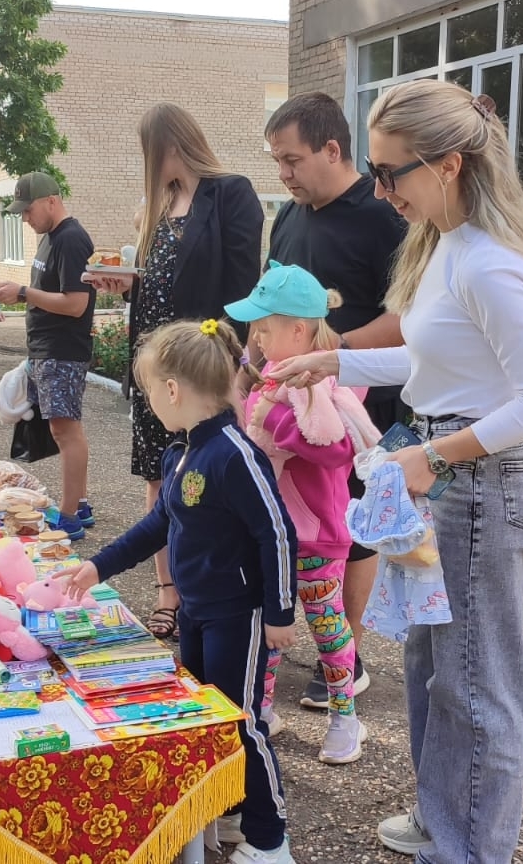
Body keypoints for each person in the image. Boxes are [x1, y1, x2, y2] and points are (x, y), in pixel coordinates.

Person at [271, 80, 523, 864]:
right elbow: (426, 356)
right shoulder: (443, 247)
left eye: (391, 172)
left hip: (475, 482)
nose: (380, 190)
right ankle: (443, 817)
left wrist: (433, 455)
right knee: (433, 671)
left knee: (477, 686)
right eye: (374, 170)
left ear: (449, 164)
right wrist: (332, 358)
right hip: (437, 475)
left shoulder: (487, 263)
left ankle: (470, 846)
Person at [56, 318, 298, 864]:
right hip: (198, 612)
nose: (148, 402)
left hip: (241, 613)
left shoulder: (235, 453)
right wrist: (97, 567)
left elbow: (278, 533)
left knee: (241, 720)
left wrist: (281, 610)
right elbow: (157, 525)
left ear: (172, 390)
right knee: (206, 716)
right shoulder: (181, 452)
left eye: (147, 391)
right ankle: (230, 805)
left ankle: (269, 836)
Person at [85, 103, 264, 641]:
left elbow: (241, 288)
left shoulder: (230, 192)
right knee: (158, 476)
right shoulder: (160, 207)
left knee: (209, 479)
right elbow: (160, 281)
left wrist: (232, 367)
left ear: (169, 144)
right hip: (153, 367)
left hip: (199, 366)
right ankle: (170, 594)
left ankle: (215, 591)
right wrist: (126, 284)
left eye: (148, 149)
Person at [263, 91, 409, 708]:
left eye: (293, 159)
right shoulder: (289, 219)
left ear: (332, 148)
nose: (285, 173)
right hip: (289, 398)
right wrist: (256, 366)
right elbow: (267, 302)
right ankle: (319, 640)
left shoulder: (383, 216)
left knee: (349, 523)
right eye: (277, 161)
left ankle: (345, 658)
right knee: (301, 513)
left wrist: (334, 354)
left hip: (361, 401)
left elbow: (408, 316)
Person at [227, 263, 377, 765]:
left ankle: (344, 718)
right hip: (271, 534)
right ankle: (263, 708)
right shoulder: (272, 378)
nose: (259, 339)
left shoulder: (324, 384)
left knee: (327, 626)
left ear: (299, 330)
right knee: (268, 621)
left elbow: (333, 448)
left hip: (314, 535)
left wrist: (273, 419)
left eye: (266, 330)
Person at [0, 172, 95, 540]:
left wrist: (23, 292)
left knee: (66, 431)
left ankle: (70, 516)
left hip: (63, 352)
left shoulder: (70, 239)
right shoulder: (52, 237)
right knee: (63, 429)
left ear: (51, 201)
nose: (25, 218)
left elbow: (75, 303)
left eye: (28, 210)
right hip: (47, 350)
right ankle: (78, 504)